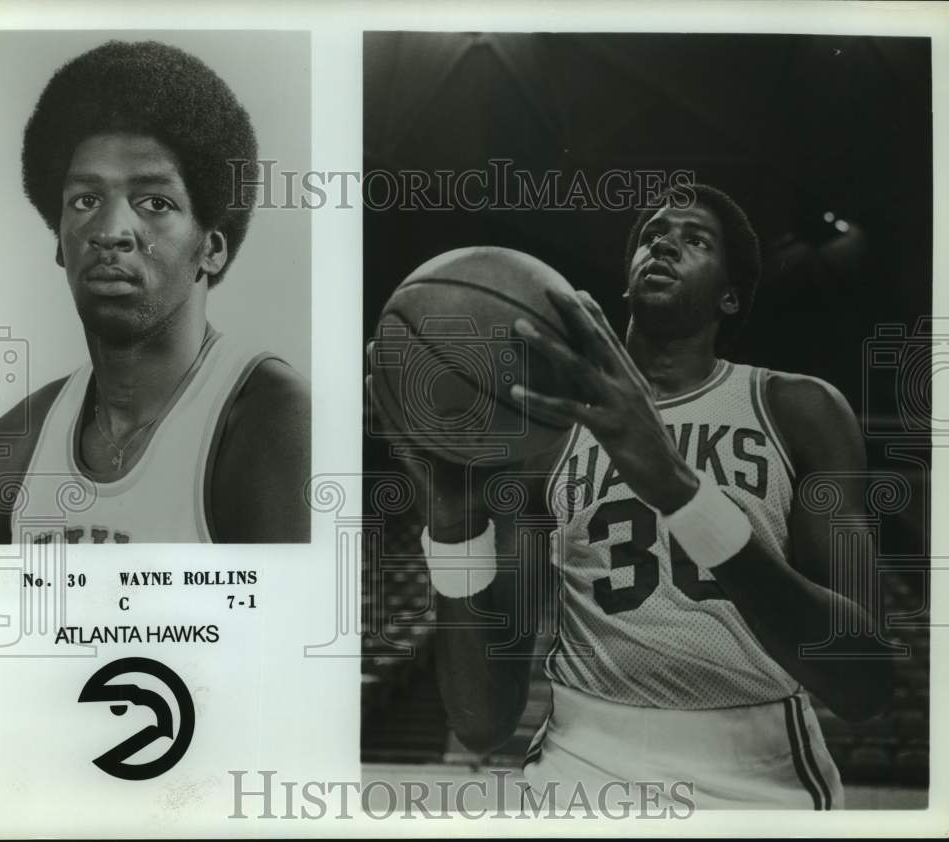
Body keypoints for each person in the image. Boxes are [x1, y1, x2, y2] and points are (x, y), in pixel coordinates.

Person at [370, 183, 894, 810]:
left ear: (730, 297)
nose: (665, 244)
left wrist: (680, 491)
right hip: (578, 769)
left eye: (696, 240)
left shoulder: (797, 409)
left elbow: (864, 684)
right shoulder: (543, 437)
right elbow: (482, 722)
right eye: (652, 235)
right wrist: (453, 526)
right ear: (625, 282)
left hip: (760, 778)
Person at [0, 40, 310, 544]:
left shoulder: (276, 422)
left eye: (154, 202)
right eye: (86, 200)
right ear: (60, 243)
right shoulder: (12, 446)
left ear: (212, 248)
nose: (110, 231)